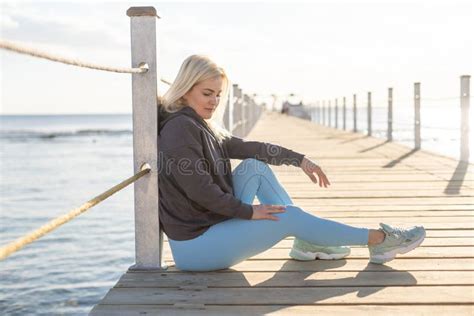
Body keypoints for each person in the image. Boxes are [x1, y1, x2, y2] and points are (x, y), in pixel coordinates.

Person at [157, 54, 426, 272]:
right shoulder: (180, 129)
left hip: (211, 227)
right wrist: (250, 212)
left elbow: (249, 148)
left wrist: (299, 159)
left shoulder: (197, 124)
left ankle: (308, 243)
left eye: (217, 94)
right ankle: (378, 240)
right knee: (289, 217)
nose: (214, 101)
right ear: (185, 89)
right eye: (207, 93)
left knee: (255, 167)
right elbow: (201, 191)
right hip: (196, 247)